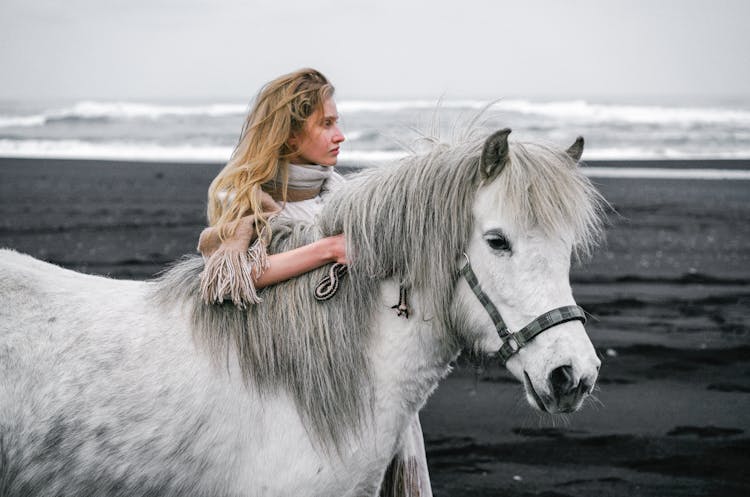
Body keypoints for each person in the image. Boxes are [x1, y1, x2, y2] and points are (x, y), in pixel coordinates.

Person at [197, 68, 431, 497]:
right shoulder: (251, 200)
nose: (340, 135)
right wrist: (326, 250)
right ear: (288, 136)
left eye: (338, 121)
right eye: (326, 124)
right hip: (293, 392)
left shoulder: (343, 196)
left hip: (365, 380)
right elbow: (233, 277)